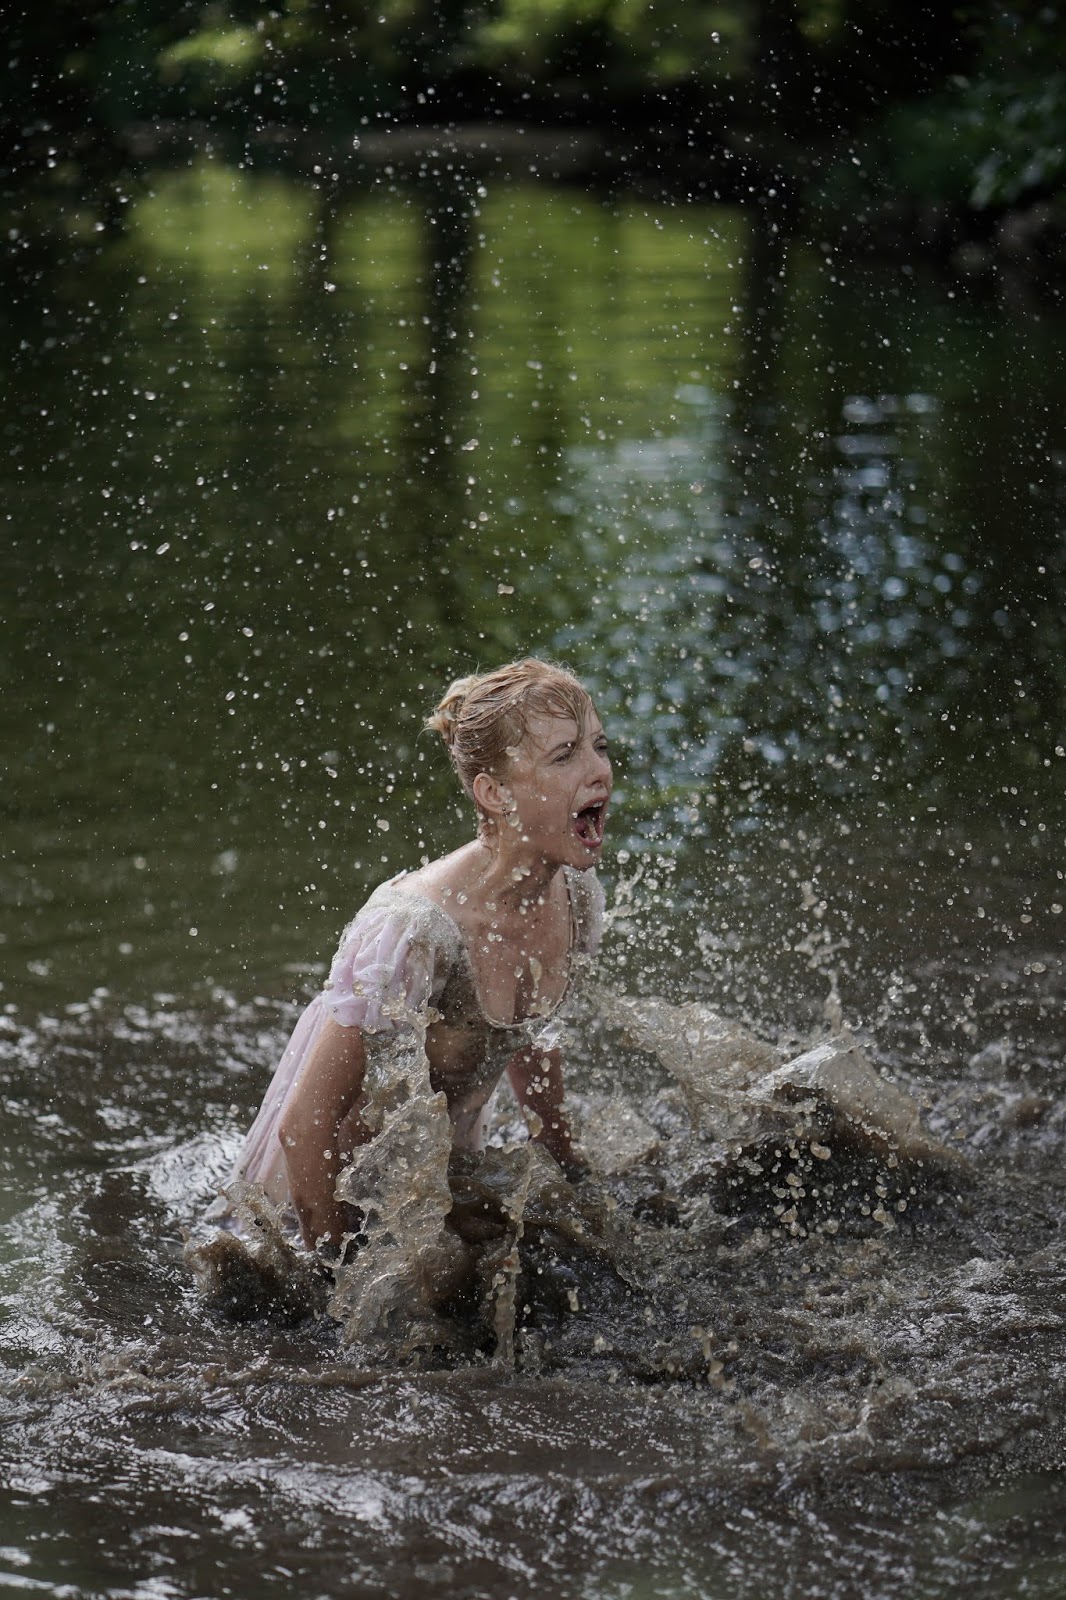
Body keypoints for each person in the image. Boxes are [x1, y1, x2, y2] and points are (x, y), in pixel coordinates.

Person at [209, 657, 612, 1262]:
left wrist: (567, 1164)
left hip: (437, 1180)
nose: (599, 771)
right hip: (324, 1200)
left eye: (600, 747)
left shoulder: (576, 899)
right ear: (495, 793)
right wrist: (335, 1277)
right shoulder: (416, 932)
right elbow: (305, 1127)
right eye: (564, 756)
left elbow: (530, 1035)